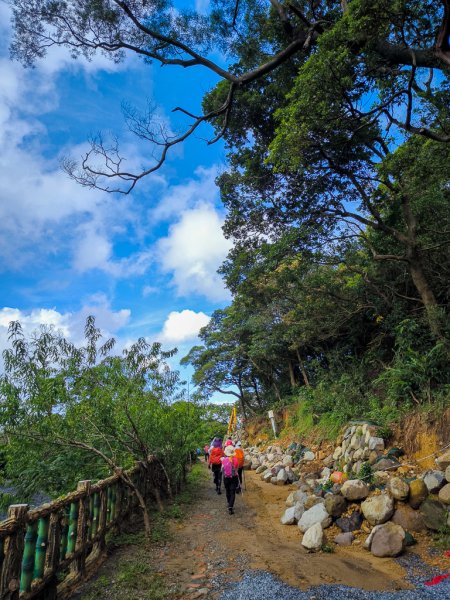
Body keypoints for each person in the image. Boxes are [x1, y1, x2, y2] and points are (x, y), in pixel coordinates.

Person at [221, 445, 240, 514]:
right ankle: (230, 506)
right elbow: (237, 469)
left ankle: (229, 502)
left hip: (226, 478)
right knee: (232, 492)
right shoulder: (236, 460)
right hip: (233, 478)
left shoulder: (223, 460)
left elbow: (222, 470)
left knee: (227, 491)